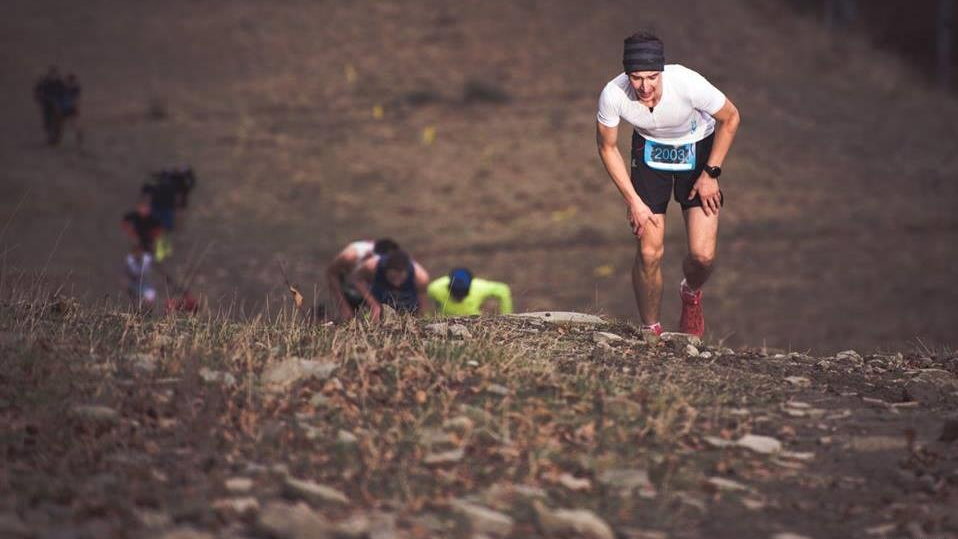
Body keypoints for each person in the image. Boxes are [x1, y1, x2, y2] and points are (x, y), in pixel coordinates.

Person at [596, 31, 740, 337]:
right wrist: (633, 200)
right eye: (636, 78)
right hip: (649, 156)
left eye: (652, 77)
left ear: (662, 71)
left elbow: (731, 117)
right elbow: (607, 147)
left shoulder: (688, 83)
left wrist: (711, 173)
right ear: (626, 74)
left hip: (698, 153)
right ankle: (652, 332)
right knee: (649, 252)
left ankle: (690, 293)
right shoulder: (613, 94)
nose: (645, 87)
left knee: (703, 257)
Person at [326, 238, 399, 321]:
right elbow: (331, 273)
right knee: (347, 318)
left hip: (364, 285)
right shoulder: (350, 255)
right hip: (348, 288)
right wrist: (343, 305)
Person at [354, 249, 430, 322]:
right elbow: (357, 279)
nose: (396, 282)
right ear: (386, 270)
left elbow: (423, 306)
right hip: (379, 303)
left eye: (400, 277)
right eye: (393, 277)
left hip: (408, 308)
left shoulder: (420, 278)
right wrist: (373, 304)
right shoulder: (371, 266)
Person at [428, 268, 513, 316]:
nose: (459, 298)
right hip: (445, 322)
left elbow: (503, 290)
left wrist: (506, 315)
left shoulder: (479, 287)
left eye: (462, 295)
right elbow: (425, 301)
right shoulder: (435, 288)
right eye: (455, 294)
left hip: (474, 322)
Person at [33, 66, 65, 145]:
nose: (53, 76)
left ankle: (57, 138)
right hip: (47, 104)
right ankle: (50, 137)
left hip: (57, 104)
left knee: (59, 122)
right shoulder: (45, 82)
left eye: (54, 74)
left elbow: (65, 93)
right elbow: (38, 91)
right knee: (47, 121)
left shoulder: (60, 83)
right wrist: (40, 99)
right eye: (52, 74)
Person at [124, 243, 157, 309]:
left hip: (146, 285)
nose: (138, 254)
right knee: (136, 303)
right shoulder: (130, 261)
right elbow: (126, 273)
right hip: (135, 285)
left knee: (150, 300)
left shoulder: (147, 259)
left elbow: (155, 265)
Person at [58, 74, 83, 147]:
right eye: (70, 81)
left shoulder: (75, 89)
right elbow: (60, 100)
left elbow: (76, 100)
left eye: (72, 81)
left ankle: (79, 138)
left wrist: (76, 107)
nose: (70, 83)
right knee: (62, 125)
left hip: (71, 109)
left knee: (74, 124)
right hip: (65, 109)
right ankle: (58, 139)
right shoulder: (63, 89)